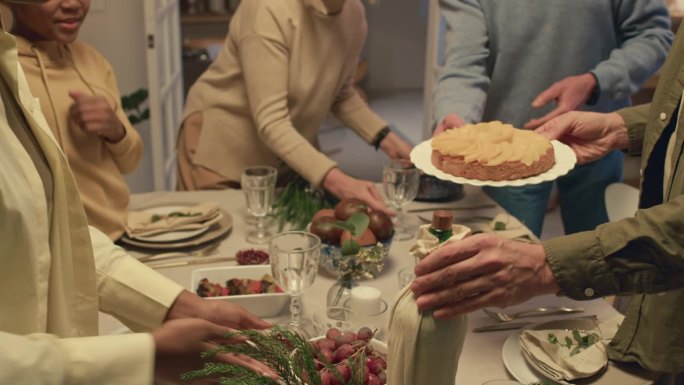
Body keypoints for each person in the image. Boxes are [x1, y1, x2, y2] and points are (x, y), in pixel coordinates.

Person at [0, 4, 273, 383]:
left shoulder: (71, 63)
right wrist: (145, 358)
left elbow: (55, 228)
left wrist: (181, 306)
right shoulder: (16, 67)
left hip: (114, 246)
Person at [411, 24, 684, 382]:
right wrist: (622, 127)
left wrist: (548, 267)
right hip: (528, 143)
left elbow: (651, 35)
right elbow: (465, 55)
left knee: (588, 292)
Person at [432, 0, 673, 236]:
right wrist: (455, 113)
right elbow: (464, 60)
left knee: (596, 259)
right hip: (508, 151)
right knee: (510, 253)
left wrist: (596, 81)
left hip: (596, 134)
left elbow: (653, 35)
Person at [177, 0, 412, 214]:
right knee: (219, 248)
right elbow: (272, 121)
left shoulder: (353, 15)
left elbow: (341, 94)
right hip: (221, 150)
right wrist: (339, 181)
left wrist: (389, 141)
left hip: (285, 155)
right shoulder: (268, 8)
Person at [4, 0, 143, 240]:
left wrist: (115, 129)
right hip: (51, 253)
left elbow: (130, 161)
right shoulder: (6, 73)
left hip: (118, 236)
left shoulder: (93, 61)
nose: (72, 4)